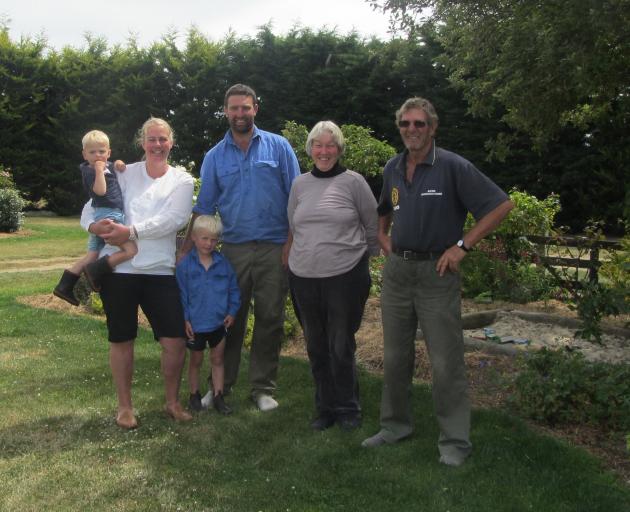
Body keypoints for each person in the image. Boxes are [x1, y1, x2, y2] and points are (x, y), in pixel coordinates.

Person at [362, 97, 513, 466]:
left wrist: (462, 246)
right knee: (396, 357)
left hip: (437, 274)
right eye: (405, 124)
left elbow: (501, 205)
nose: (411, 130)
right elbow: (383, 210)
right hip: (398, 274)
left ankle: (455, 443)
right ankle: (395, 426)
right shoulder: (393, 168)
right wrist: (384, 240)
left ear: (432, 127)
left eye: (419, 124)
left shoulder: (452, 167)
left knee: (446, 362)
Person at [180, 83, 300, 412]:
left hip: (275, 247)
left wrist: (292, 242)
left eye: (245, 107)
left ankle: (262, 388)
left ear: (255, 109)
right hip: (232, 249)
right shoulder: (215, 156)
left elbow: (297, 197)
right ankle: (221, 387)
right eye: (233, 108)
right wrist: (186, 246)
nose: (239, 113)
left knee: (270, 318)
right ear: (226, 111)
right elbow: (204, 205)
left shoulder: (278, 147)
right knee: (227, 319)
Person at [80, 117, 195, 429]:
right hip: (120, 270)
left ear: (171, 142)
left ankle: (172, 402)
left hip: (160, 271)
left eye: (163, 139)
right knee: (122, 339)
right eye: (151, 139)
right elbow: (91, 207)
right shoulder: (122, 172)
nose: (157, 145)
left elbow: (175, 219)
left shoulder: (182, 180)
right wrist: (93, 226)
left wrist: (129, 231)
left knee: (174, 341)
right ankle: (125, 407)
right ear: (142, 143)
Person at [287, 121, 379, 431]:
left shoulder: (354, 182)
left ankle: (348, 407)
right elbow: (293, 225)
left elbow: (371, 226)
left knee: (340, 345)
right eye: (318, 145)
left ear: (338, 149)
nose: (323, 151)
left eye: (330, 145)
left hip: (344, 276)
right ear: (310, 148)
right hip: (303, 277)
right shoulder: (299, 184)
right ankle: (324, 408)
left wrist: (364, 262)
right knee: (315, 344)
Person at [53, 130, 134, 305]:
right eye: (92, 152)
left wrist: (118, 163)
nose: (98, 155)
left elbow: (115, 165)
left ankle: (64, 287)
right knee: (130, 250)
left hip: (101, 215)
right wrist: (99, 171)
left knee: (91, 254)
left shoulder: (107, 165)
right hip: (109, 214)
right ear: (84, 155)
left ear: (109, 152)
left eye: (102, 152)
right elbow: (100, 191)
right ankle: (95, 272)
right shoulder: (90, 172)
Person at [176, 215, 241, 415]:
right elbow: (182, 294)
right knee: (195, 361)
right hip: (196, 324)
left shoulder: (223, 264)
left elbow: (234, 289)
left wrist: (232, 311)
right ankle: (194, 394)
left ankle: (218, 396)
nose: (209, 243)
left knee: (218, 359)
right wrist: (185, 318)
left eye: (213, 239)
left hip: (218, 323)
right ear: (194, 238)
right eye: (204, 238)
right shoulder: (185, 265)